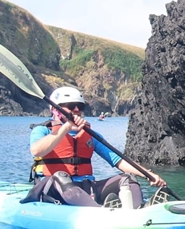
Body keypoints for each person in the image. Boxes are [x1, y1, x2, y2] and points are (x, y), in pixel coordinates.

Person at [24, 86, 166, 208]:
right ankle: (100, 211)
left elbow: (119, 160)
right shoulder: (43, 130)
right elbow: (37, 151)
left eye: (81, 106)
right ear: (55, 110)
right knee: (60, 177)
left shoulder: (89, 134)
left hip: (86, 189)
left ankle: (138, 210)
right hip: (55, 189)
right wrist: (65, 128)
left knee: (128, 178)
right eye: (70, 105)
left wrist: (147, 174)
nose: (76, 109)